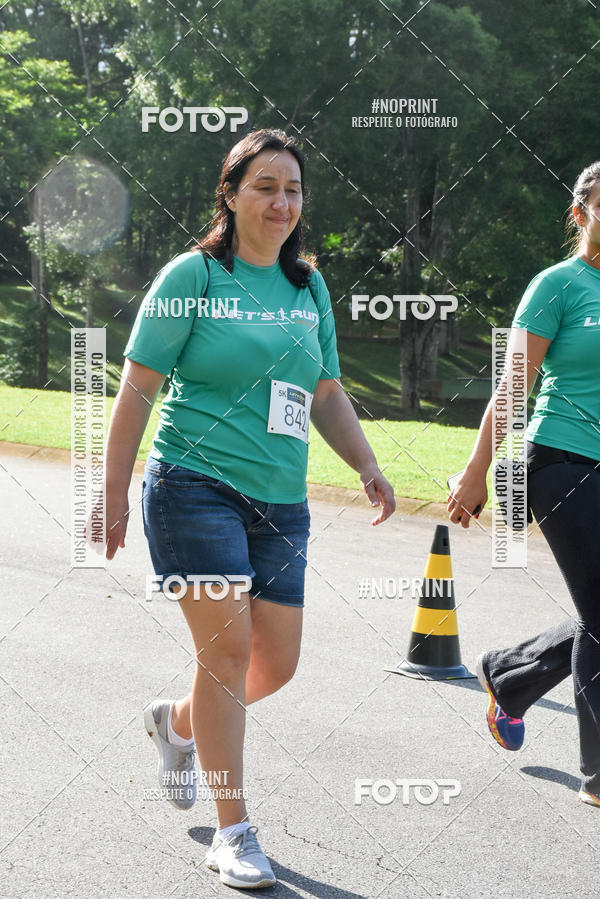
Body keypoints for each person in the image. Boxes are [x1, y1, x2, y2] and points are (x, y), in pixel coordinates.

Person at [102, 128, 395, 889]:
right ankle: (234, 831)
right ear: (230, 194)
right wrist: (108, 494)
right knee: (226, 657)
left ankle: (176, 721)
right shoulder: (193, 276)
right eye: (265, 186)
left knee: (275, 663)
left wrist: (365, 463)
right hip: (192, 485)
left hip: (280, 500)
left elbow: (325, 390)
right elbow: (137, 388)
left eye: (293, 189)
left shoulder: (308, 288)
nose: (281, 201)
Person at [447, 161, 600, 808]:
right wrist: (479, 467)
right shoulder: (558, 286)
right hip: (561, 461)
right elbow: (512, 384)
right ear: (580, 213)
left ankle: (509, 674)